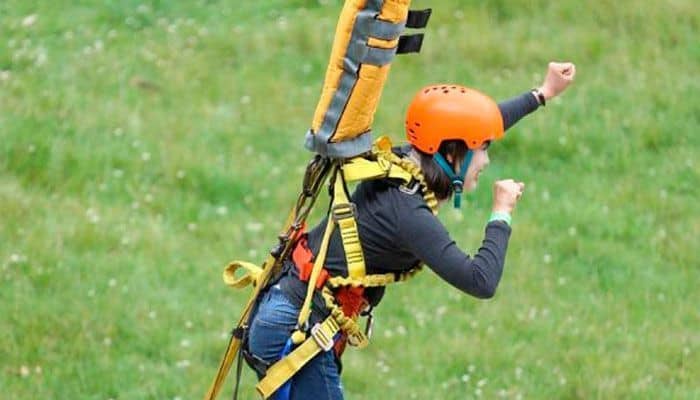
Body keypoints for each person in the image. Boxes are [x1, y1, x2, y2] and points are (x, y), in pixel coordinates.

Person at [245, 62, 576, 399]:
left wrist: (543, 93)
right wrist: (501, 215)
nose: (486, 161)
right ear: (451, 151)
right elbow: (481, 281)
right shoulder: (407, 212)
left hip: (290, 314)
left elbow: (481, 123)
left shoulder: (405, 160)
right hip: (293, 328)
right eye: (481, 149)